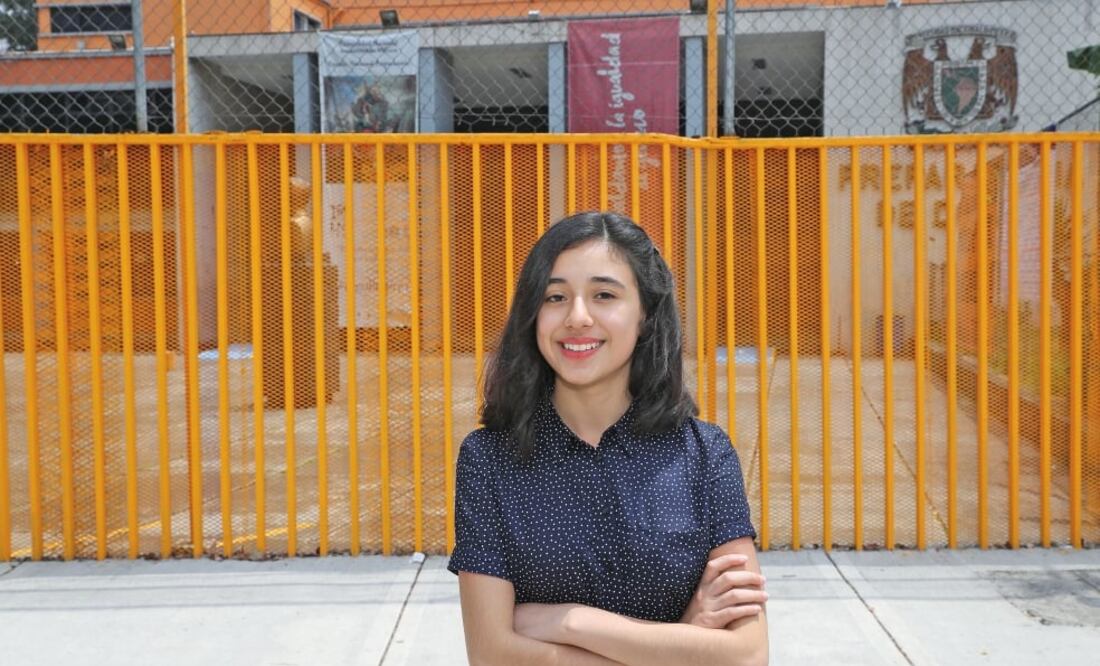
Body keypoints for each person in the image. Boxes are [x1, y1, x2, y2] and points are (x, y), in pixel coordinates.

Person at [448, 212, 768, 665]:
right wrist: (684, 641)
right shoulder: (489, 460)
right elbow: (492, 654)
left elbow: (747, 656)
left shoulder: (704, 454)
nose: (577, 317)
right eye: (555, 297)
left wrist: (569, 623)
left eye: (604, 295)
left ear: (645, 315)